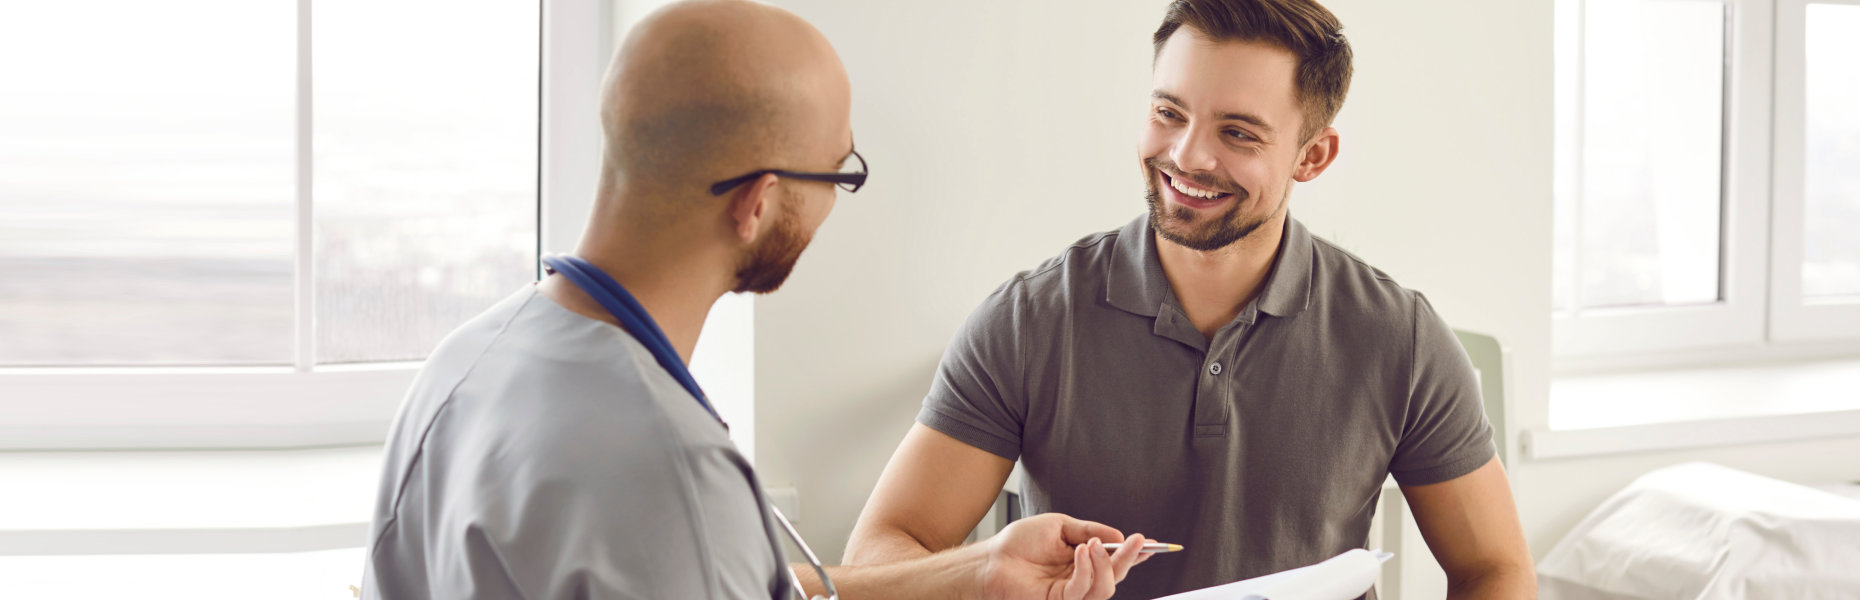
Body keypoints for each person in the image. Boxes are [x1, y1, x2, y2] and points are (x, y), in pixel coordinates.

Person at [357, 1, 1155, 598]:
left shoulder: (464, 364)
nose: (840, 200)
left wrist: (981, 568)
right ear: (756, 202)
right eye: (840, 175)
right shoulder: (666, 475)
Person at [842, 0, 1536, 598]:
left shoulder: (1400, 338)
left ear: (1311, 157)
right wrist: (985, 573)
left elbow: (1495, 567)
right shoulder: (1028, 322)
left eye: (1237, 132)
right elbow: (879, 555)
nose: (1188, 155)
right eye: (1168, 112)